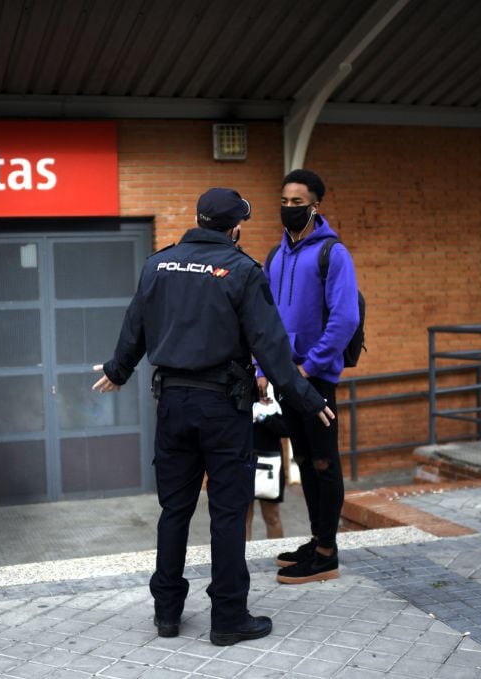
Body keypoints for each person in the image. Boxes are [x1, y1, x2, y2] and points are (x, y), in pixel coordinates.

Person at [92, 188, 334, 646]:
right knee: (227, 514)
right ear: (234, 228)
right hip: (223, 408)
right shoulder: (242, 270)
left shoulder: (157, 264)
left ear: (198, 219)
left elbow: (135, 326)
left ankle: (167, 614)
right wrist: (305, 397)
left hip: (173, 406)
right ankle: (227, 619)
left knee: (174, 510)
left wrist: (117, 370)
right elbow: (271, 346)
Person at [258, 169, 360, 585]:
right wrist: (265, 369)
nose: (288, 208)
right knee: (301, 459)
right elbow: (263, 319)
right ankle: (317, 538)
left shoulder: (333, 254)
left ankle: (326, 553)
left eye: (297, 203)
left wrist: (309, 366)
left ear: (315, 205)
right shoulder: (275, 256)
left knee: (322, 461)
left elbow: (345, 318)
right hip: (286, 378)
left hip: (314, 379)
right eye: (284, 201)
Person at [246, 385, 287, 541]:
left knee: (272, 516)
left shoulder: (276, 388)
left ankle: (277, 553)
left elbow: (285, 428)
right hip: (246, 459)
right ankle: (243, 560)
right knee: (244, 517)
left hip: (271, 461)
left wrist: (262, 417)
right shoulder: (242, 383)